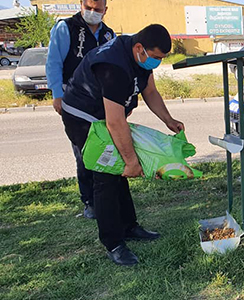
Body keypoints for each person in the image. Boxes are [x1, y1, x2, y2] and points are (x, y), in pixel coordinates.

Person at [60, 24, 184, 266]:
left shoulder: (137, 54)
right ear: (140, 48)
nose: (157, 63)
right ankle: (113, 243)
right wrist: (131, 161)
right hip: (82, 118)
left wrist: (168, 119)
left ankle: (129, 227)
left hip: (105, 118)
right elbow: (116, 122)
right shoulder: (113, 66)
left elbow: (150, 91)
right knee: (106, 174)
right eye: (156, 57)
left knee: (119, 173)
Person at [46, 0, 115, 219]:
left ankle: (106, 196)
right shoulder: (66, 28)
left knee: (104, 149)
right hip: (74, 101)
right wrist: (57, 94)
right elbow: (53, 62)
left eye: (98, 10)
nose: (93, 13)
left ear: (106, 10)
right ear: (81, 5)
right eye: (89, 8)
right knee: (83, 152)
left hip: (101, 102)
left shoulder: (109, 35)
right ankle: (90, 201)